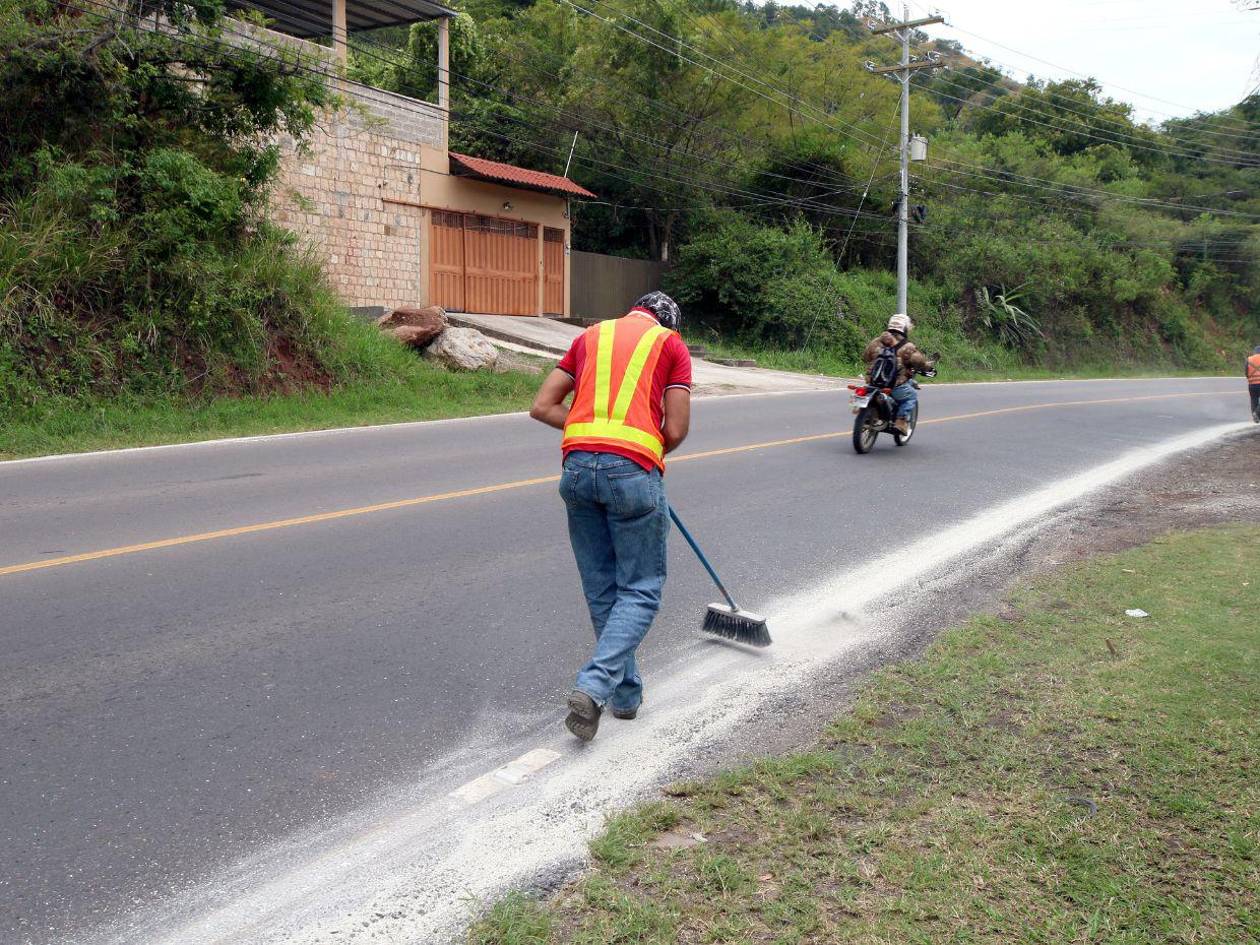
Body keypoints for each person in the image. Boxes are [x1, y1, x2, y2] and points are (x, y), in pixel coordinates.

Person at [529, 291, 693, 741]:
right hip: (632, 473)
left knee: (604, 589)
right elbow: (676, 428)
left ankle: (625, 695)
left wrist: (596, 435)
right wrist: (642, 455)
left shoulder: (590, 336)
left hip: (577, 471)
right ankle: (593, 685)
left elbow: (542, 406)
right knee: (641, 589)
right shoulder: (670, 344)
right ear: (667, 323)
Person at [862, 313, 936, 436]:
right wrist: (927, 367)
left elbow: (865, 356)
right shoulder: (907, 347)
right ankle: (901, 421)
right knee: (911, 395)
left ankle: (874, 414)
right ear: (905, 329)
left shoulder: (877, 341)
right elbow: (918, 362)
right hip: (894, 386)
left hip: (873, 382)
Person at [1248, 345, 1260, 423]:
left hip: (1252, 384)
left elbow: (1246, 371)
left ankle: (1255, 417)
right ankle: (1257, 413)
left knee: (1254, 399)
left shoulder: (1249, 359)